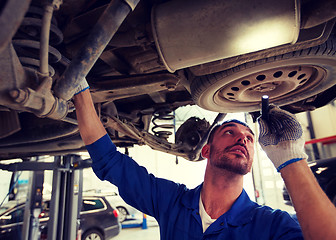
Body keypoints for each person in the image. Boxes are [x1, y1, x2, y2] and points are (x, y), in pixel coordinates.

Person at [73, 83, 336, 240]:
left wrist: (291, 159)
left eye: (249, 137)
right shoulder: (171, 202)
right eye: (230, 132)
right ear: (206, 150)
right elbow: (109, 161)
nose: (243, 139)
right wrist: (80, 90)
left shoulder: (269, 224)